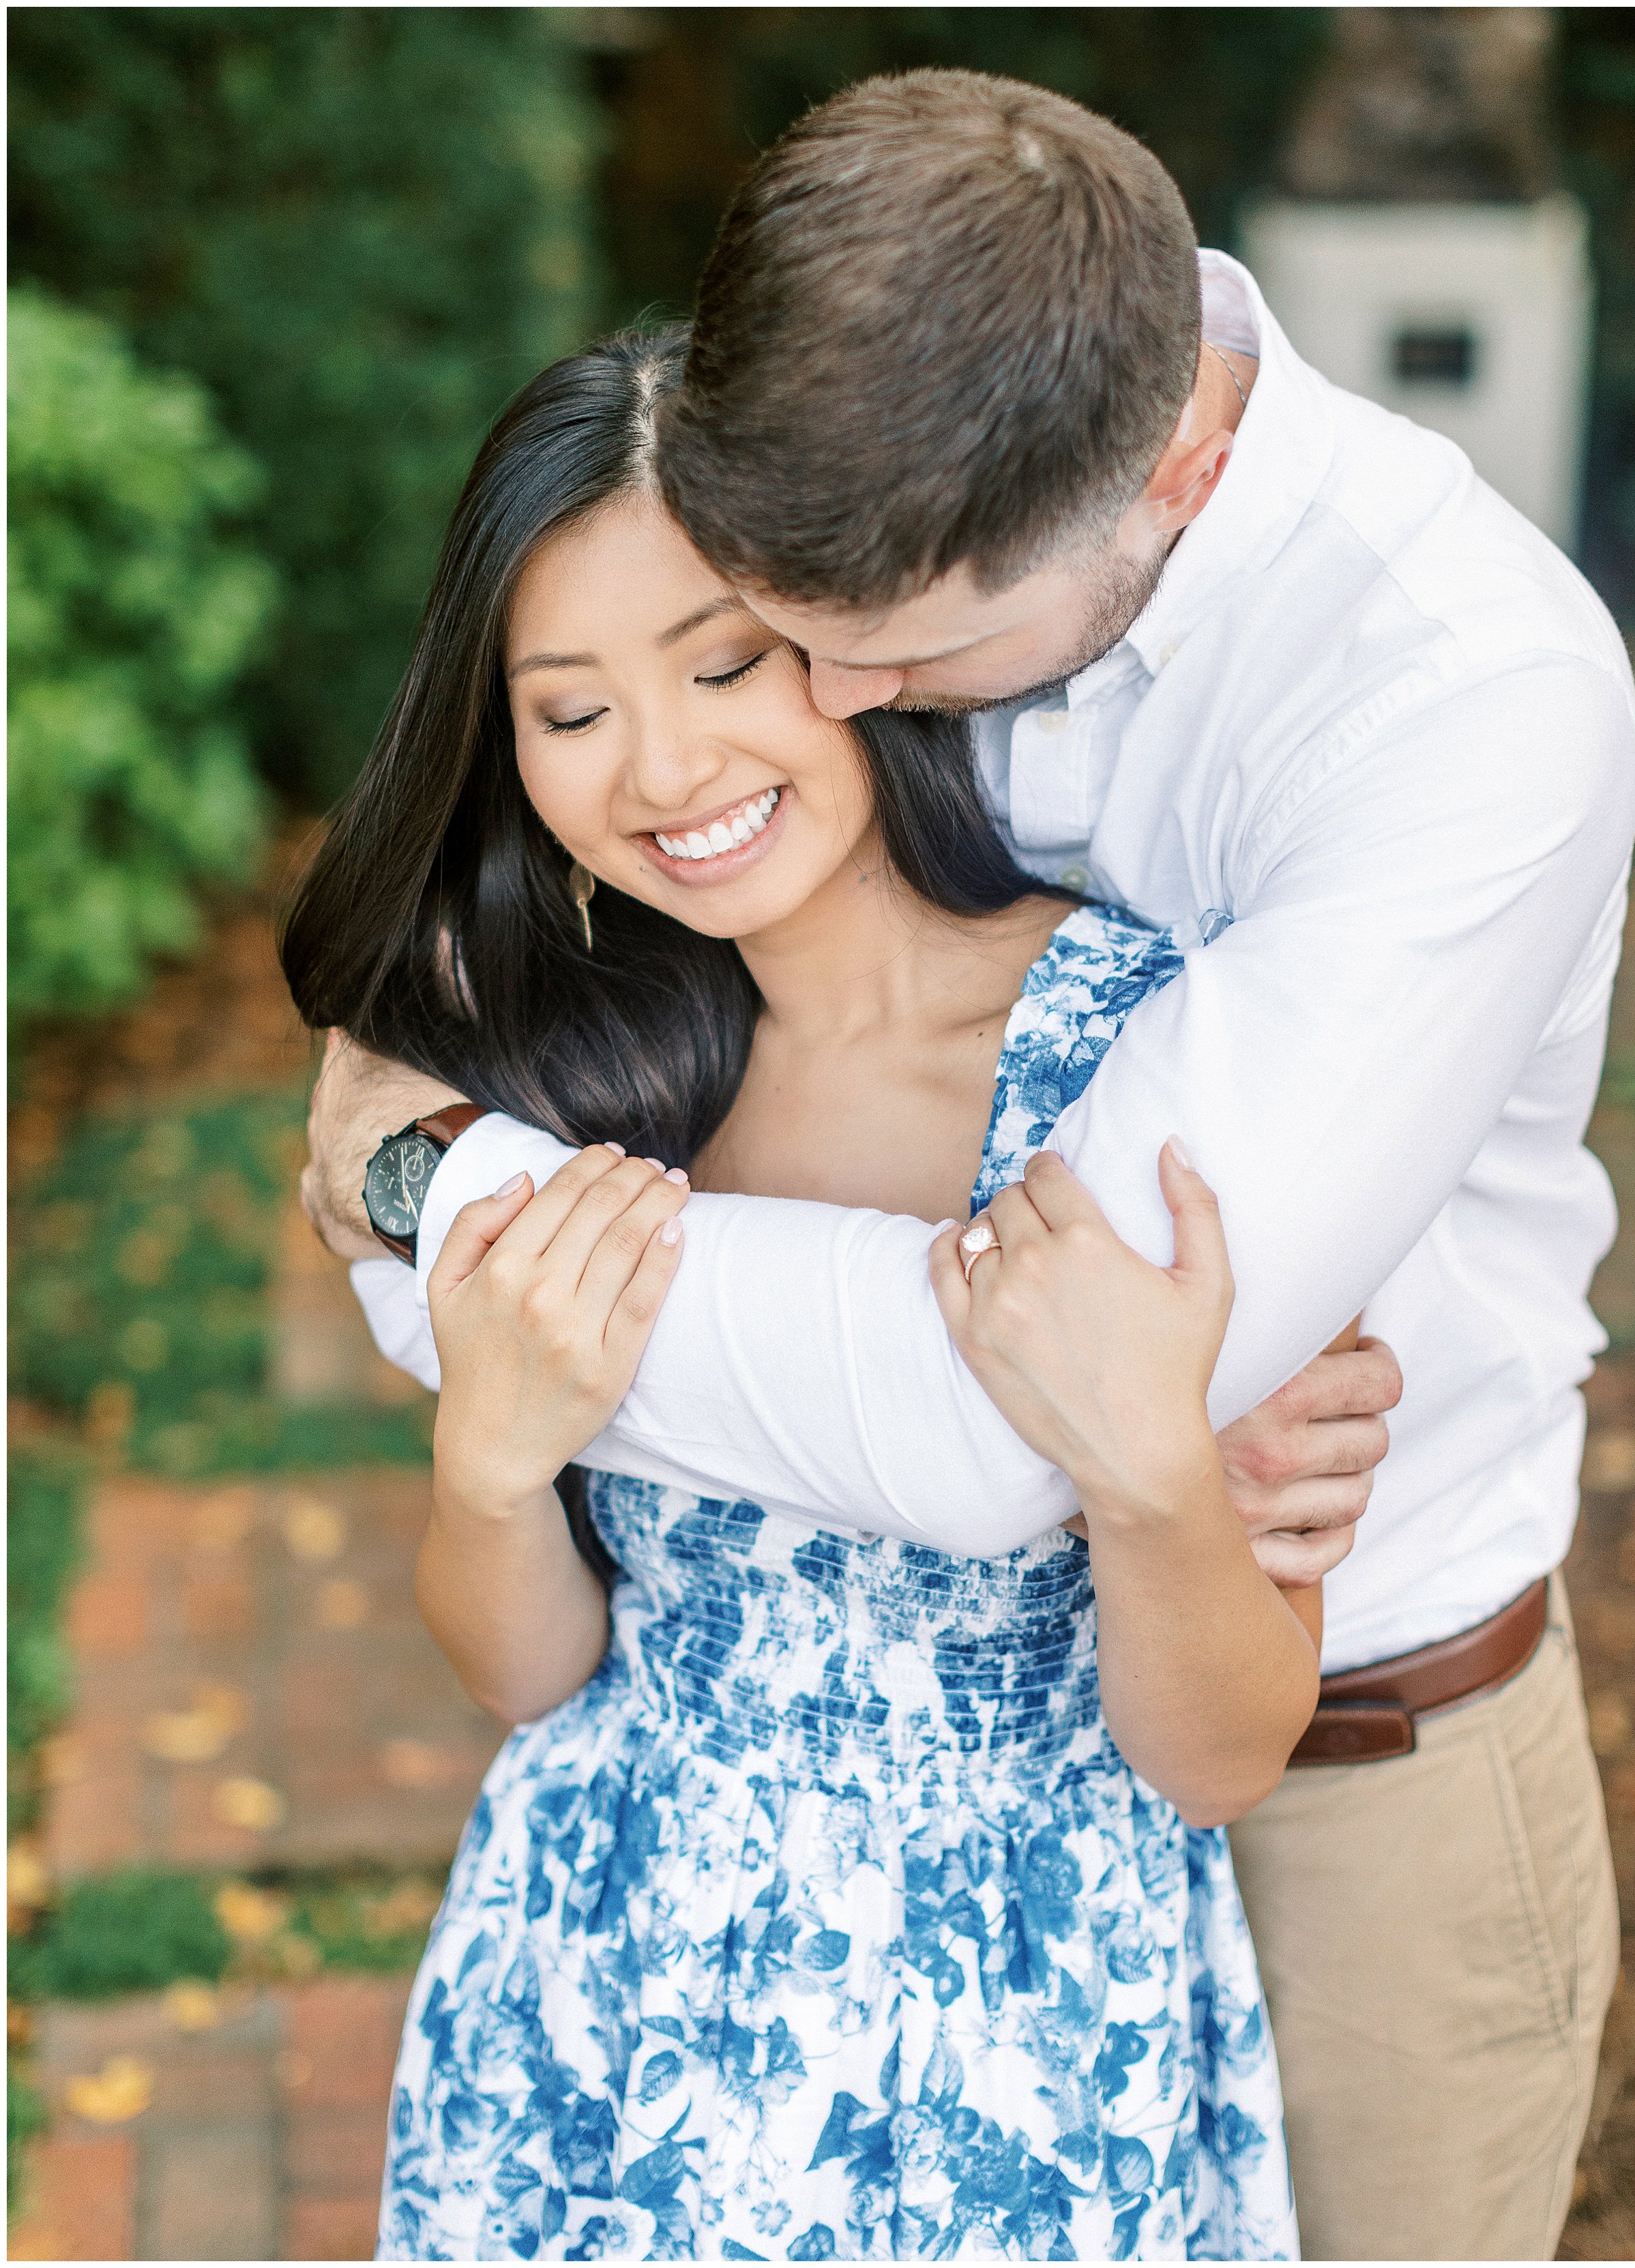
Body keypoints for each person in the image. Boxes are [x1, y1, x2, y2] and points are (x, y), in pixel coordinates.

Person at [304, 73, 1635, 2260]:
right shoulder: (640, 975)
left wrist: (443, 1215)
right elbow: (531, 1621)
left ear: (1170, 473)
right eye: (773, 609)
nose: (821, 690)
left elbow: (1007, 1428)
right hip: (643, 1989)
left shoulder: (1457, 699)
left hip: (1294, 1804)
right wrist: (472, 1304)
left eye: (856, 654)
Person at [282, 333, 1323, 2262]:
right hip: (606, 1994)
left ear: (851, 645)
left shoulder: (1145, 1051)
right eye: (567, 709)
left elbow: (1219, 1754)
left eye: (720, 662)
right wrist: (489, 1477)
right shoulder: (567, 1085)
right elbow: (531, 1681)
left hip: (1015, 2037)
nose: (666, 772)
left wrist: (1159, 1486)